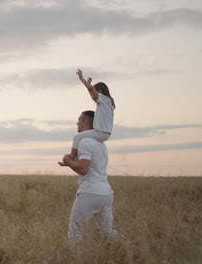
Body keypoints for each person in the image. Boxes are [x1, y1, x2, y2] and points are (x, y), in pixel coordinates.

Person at [59, 110, 119, 248]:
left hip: (90, 193)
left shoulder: (84, 141)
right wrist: (69, 162)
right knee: (110, 232)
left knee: (74, 232)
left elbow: (83, 169)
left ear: (86, 122)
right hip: (106, 193)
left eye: (79, 120)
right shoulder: (101, 144)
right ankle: (131, 252)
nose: (77, 123)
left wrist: (67, 160)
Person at [63, 69, 115, 162]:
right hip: (105, 133)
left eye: (95, 92)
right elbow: (92, 91)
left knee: (77, 137)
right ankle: (75, 157)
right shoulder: (107, 103)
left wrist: (82, 79)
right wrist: (89, 85)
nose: (92, 98)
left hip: (100, 132)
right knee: (81, 137)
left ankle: (72, 158)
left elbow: (92, 90)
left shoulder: (104, 99)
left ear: (100, 91)